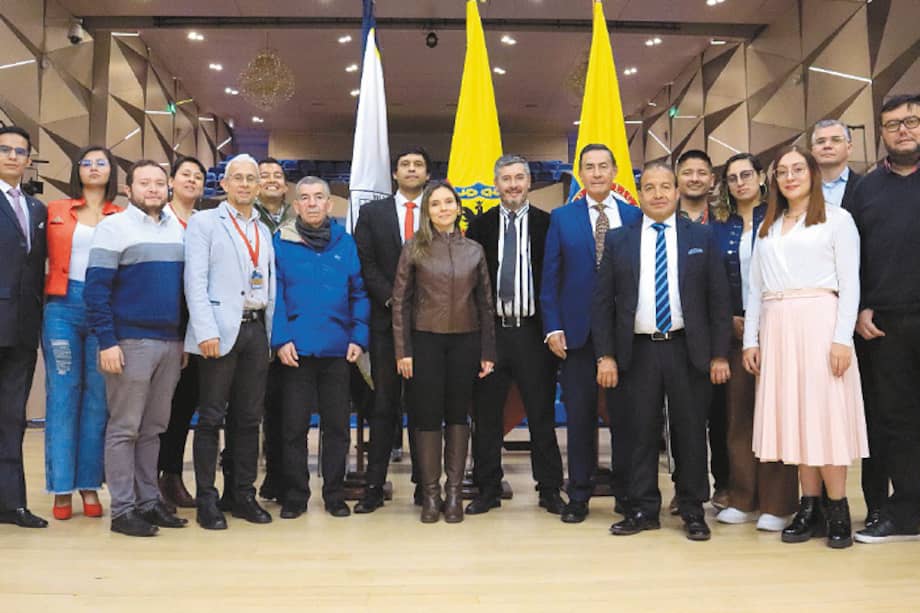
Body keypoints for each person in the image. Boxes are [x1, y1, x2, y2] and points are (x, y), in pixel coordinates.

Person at [595, 161, 731, 542]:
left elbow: (718, 301)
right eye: (649, 187)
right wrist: (604, 355)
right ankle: (642, 508)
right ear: (639, 195)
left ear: (676, 192)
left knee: (689, 431)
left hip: (687, 348)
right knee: (638, 432)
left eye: (664, 186)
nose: (657, 194)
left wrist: (719, 354)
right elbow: (602, 303)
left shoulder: (700, 237)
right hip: (636, 351)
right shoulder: (620, 240)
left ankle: (692, 509)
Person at [742, 146, 867, 549]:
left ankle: (838, 508)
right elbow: (756, 290)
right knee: (797, 420)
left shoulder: (837, 220)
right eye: (782, 172)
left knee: (825, 419)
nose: (790, 177)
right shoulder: (769, 225)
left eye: (798, 169)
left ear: (813, 173)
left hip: (820, 323)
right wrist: (751, 339)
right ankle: (808, 506)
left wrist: (842, 338)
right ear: (774, 180)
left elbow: (850, 284)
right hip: (778, 328)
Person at [85, 159, 188, 537]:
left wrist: (184, 340)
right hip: (129, 341)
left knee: (154, 428)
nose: (153, 189)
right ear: (129, 189)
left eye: (160, 183)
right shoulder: (113, 228)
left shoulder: (178, 229)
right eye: (145, 183)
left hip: (171, 342)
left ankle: (149, 502)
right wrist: (107, 341)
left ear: (168, 189)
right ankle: (123, 510)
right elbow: (96, 290)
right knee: (125, 427)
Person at [540, 143, 642, 523]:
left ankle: (627, 492)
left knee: (625, 419)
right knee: (580, 417)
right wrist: (552, 327)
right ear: (580, 174)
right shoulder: (562, 218)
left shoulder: (634, 216)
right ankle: (579, 494)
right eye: (589, 167)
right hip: (577, 335)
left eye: (603, 166)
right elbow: (550, 278)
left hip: (625, 334)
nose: (597, 173)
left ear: (615, 172)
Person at [391, 180, 496, 523]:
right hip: (425, 343)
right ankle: (430, 495)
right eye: (435, 204)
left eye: (448, 202)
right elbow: (401, 305)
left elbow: (485, 304)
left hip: (465, 341)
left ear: (458, 207)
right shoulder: (414, 249)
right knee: (426, 417)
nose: (443, 209)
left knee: (457, 416)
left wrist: (487, 351)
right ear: (427, 211)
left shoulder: (474, 250)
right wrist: (403, 351)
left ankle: (454, 494)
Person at [465, 154, 564, 515]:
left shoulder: (548, 225)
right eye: (505, 179)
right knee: (487, 416)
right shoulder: (479, 226)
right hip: (491, 334)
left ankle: (550, 489)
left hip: (533, 334)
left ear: (529, 182)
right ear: (496, 184)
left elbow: (557, 277)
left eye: (519, 178)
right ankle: (488, 488)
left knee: (541, 415)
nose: (513, 185)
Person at [185, 153, 275, 530]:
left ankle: (241, 494)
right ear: (223, 184)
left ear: (258, 185)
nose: (243, 184)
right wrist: (205, 330)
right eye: (236, 177)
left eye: (250, 178)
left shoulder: (263, 227)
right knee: (210, 418)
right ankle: (207, 498)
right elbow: (195, 279)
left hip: (255, 329)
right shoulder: (205, 222)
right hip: (218, 331)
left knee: (249, 419)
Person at [272, 176, 369, 519]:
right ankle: (296, 496)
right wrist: (281, 339)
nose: (312, 203)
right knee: (294, 427)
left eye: (319, 197)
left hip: (338, 350)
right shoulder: (281, 242)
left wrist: (359, 336)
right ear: (295, 206)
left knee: (338, 429)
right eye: (305, 198)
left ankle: (334, 495)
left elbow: (359, 292)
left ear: (330, 204)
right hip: (296, 351)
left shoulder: (346, 243)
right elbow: (276, 295)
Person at [711, 153, 798, 532]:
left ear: (763, 177)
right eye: (732, 178)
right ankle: (743, 497)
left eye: (746, 175)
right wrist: (728, 320)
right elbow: (711, 284)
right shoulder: (720, 228)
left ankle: (778, 505)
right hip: (735, 335)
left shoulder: (783, 220)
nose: (740, 183)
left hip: (779, 330)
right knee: (739, 416)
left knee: (777, 417)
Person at [848, 94, 920, 544]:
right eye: (892, 124)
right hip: (887, 324)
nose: (903, 130)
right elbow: (854, 257)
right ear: (881, 133)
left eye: (911, 121)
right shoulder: (866, 189)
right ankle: (907, 510)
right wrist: (859, 307)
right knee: (896, 421)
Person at [43, 146, 122, 520]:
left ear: (111, 172)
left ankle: (89, 484)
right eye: (87, 163)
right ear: (79, 170)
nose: (93, 168)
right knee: (63, 393)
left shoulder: (122, 216)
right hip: (62, 306)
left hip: (104, 309)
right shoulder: (56, 210)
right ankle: (61, 487)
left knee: (97, 401)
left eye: (100, 162)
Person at [353, 147, 430, 513]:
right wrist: (393, 302)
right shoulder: (372, 213)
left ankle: (423, 485)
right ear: (395, 174)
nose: (411, 170)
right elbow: (365, 263)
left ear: (427, 174)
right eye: (405, 165)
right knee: (383, 406)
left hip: (429, 327)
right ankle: (373, 486)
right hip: (385, 325)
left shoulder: (438, 211)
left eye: (418, 165)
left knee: (422, 407)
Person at [672, 148, 729, 513]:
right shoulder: (661, 221)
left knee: (723, 417)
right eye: (687, 172)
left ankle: (725, 484)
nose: (694, 178)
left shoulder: (726, 222)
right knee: (684, 419)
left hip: (726, 331)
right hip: (682, 336)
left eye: (701, 172)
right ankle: (685, 488)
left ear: (711, 180)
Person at [0, 126, 48, 529]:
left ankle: (12, 503)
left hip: (23, 326)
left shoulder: (36, 210)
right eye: (5, 150)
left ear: (29, 159)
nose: (13, 157)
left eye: (20, 151)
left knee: (13, 416)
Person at [156, 156, 206, 511]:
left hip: (198, 324)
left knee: (185, 406)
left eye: (198, 177)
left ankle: (171, 475)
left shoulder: (206, 223)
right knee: (157, 408)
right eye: (185, 174)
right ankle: (148, 480)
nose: (191, 180)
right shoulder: (156, 219)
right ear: (171, 181)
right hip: (161, 323)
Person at [252, 156, 295, 502]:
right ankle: (244, 480)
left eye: (276, 175)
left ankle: (279, 477)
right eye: (262, 175)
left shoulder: (299, 217)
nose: (270, 180)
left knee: (283, 406)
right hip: (251, 319)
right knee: (251, 405)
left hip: (292, 320)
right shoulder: (242, 218)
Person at [810, 119, 862, 209]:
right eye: (820, 141)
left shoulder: (866, 186)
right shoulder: (800, 187)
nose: (827, 146)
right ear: (812, 150)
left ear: (849, 148)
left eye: (835, 140)